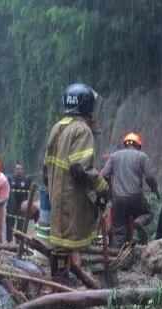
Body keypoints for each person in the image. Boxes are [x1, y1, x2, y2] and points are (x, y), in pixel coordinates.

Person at [44, 83, 109, 277]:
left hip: (57, 196)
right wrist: (103, 188)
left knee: (60, 244)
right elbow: (81, 167)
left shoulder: (57, 127)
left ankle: (59, 283)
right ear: (87, 105)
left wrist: (51, 191)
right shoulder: (81, 130)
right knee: (74, 244)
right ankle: (77, 286)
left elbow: (45, 167)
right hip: (73, 198)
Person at [102, 131, 160, 247]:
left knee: (120, 231)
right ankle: (139, 221)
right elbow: (150, 177)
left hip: (118, 199)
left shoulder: (114, 156)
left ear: (125, 144)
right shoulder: (142, 156)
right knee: (147, 213)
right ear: (138, 145)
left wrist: (110, 192)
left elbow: (104, 175)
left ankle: (116, 258)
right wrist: (155, 190)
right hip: (135, 197)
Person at [5, 163, 32, 243]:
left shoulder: (27, 180)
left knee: (20, 226)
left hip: (22, 207)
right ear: (14, 170)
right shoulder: (10, 179)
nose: (19, 171)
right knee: (10, 224)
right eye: (17, 169)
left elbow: (30, 193)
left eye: (21, 169)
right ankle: (8, 241)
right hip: (11, 206)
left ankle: (19, 243)